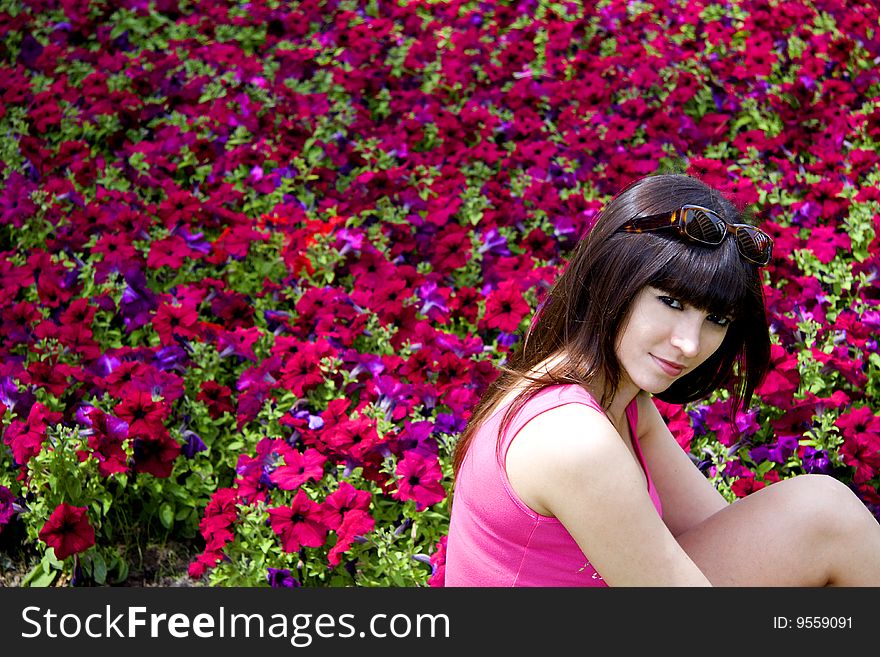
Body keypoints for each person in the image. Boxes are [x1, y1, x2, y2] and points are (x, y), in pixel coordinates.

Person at [444, 172, 880, 586]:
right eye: (671, 301)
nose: (690, 344)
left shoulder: (615, 396)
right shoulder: (571, 438)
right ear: (613, 276)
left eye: (716, 318)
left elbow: (720, 530)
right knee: (826, 516)